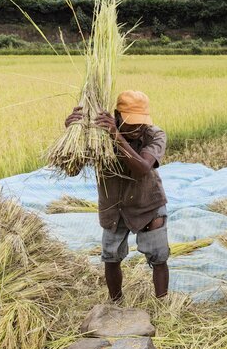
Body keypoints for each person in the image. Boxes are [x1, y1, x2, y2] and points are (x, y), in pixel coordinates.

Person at [64, 91, 170, 301]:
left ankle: (163, 305)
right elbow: (71, 170)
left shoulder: (154, 135)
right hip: (114, 208)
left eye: (141, 122)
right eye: (131, 122)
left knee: (158, 257)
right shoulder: (97, 136)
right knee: (111, 258)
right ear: (117, 116)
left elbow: (142, 167)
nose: (138, 128)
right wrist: (71, 136)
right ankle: (116, 303)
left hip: (147, 204)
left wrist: (117, 136)